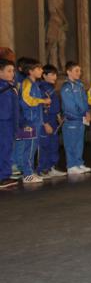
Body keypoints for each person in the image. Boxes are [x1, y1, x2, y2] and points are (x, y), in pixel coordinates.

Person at [17, 59, 50, 183]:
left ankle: (29, 172)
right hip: (29, 120)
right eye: (38, 69)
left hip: (35, 120)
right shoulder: (27, 83)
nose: (41, 71)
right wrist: (42, 101)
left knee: (33, 147)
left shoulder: (35, 84)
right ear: (30, 71)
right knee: (29, 148)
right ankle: (27, 174)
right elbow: (26, 99)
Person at [60, 62, 91, 175]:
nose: (79, 73)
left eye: (80, 71)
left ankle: (78, 163)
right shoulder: (66, 87)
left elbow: (85, 100)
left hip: (81, 119)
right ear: (68, 72)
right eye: (76, 71)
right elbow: (70, 106)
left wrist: (87, 112)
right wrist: (82, 113)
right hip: (71, 120)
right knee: (71, 143)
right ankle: (71, 165)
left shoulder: (80, 85)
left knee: (79, 143)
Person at [38, 65, 64, 178]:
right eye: (52, 74)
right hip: (46, 121)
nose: (55, 77)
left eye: (56, 74)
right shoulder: (41, 88)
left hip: (53, 119)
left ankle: (52, 167)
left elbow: (54, 104)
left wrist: (58, 116)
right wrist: (45, 123)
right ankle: (42, 169)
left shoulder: (51, 87)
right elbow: (41, 107)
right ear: (44, 75)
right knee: (45, 145)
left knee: (54, 145)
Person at [0, 59, 20, 188]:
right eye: (9, 71)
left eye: (13, 71)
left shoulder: (10, 86)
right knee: (4, 149)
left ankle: (5, 174)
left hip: (9, 122)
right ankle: (2, 177)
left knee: (7, 149)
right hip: (3, 122)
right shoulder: (3, 87)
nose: (12, 73)